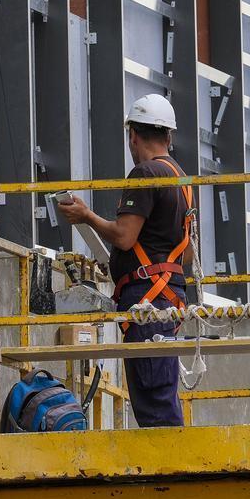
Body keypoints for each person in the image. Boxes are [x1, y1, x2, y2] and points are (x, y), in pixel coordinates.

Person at [56, 94, 192, 427]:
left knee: (153, 397)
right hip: (168, 293)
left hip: (147, 299)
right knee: (160, 389)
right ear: (168, 136)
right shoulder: (182, 178)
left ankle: (169, 471)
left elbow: (125, 236)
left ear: (133, 134)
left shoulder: (145, 173)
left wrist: (86, 215)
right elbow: (185, 251)